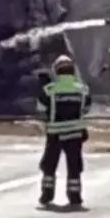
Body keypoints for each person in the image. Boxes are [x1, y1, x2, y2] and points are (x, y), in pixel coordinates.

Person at [36, 54, 92, 207]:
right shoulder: (83, 89)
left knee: (49, 165)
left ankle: (47, 195)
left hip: (54, 134)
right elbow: (86, 109)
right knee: (74, 166)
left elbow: (41, 110)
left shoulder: (48, 90)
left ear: (56, 71)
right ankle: (75, 196)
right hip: (75, 134)